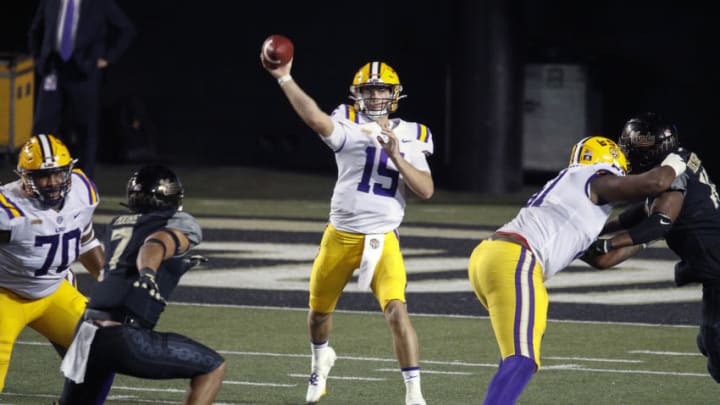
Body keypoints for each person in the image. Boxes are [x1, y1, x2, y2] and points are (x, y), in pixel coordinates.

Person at [261, 51, 434, 404]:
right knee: (318, 313)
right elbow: (315, 120)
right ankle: (320, 358)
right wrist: (284, 78)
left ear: (394, 94)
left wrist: (397, 154)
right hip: (340, 235)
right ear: (357, 94)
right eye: (368, 90)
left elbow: (426, 190)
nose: (374, 97)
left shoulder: (415, 133)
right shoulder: (346, 121)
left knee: (397, 310)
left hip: (382, 239)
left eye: (381, 90)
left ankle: (414, 393)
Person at [467, 135, 688, 404]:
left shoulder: (576, 198)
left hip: (496, 258)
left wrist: (650, 234)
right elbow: (657, 182)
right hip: (515, 259)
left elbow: (601, 259)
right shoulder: (593, 176)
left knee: (516, 357)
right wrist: (677, 161)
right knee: (522, 360)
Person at [57, 164, 226, 404]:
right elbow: (154, 243)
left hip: (86, 333)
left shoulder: (118, 223)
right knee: (213, 367)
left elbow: (129, 258)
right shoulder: (178, 221)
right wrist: (148, 272)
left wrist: (177, 265)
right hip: (124, 337)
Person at [581, 112, 720, 384]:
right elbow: (640, 212)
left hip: (716, 262)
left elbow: (660, 221)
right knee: (709, 341)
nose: (628, 149)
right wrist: (598, 231)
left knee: (716, 344)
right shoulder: (672, 165)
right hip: (712, 269)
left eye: (634, 143)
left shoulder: (670, 173)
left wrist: (608, 243)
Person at [0, 134, 104, 392]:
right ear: (25, 177)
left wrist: (108, 282)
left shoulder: (82, 191)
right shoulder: (8, 212)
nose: (52, 183)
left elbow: (85, 238)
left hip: (54, 290)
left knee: (102, 348)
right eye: (43, 176)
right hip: (6, 295)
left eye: (58, 174)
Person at [28, 0, 136, 178]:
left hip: (83, 71)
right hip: (53, 69)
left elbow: (126, 29)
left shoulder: (99, 4)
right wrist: (39, 59)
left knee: (84, 129)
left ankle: (83, 182)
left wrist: (108, 57)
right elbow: (36, 30)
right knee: (42, 126)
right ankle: (36, 176)